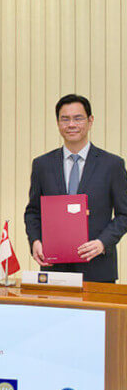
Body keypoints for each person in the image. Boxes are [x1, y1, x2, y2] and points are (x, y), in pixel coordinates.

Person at [24, 94, 127, 283]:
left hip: (98, 268)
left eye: (78, 118)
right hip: (54, 268)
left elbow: (124, 214)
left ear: (90, 121)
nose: (71, 124)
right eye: (65, 119)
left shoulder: (112, 165)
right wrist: (35, 241)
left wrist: (102, 243)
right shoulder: (42, 165)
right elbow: (32, 212)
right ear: (58, 123)